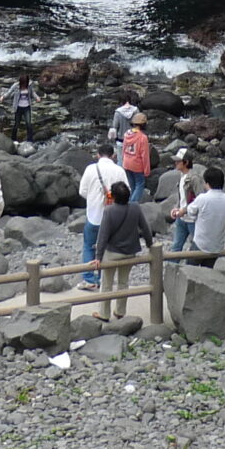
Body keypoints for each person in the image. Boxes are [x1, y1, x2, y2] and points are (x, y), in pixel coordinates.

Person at [93, 179, 152, 318]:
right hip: (130, 252)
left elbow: (103, 236)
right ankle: (120, 312)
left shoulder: (109, 211)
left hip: (112, 253)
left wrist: (98, 257)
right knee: (123, 282)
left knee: (106, 284)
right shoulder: (135, 207)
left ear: (112, 196)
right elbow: (145, 228)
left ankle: (104, 313)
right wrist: (150, 244)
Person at [77, 142, 128, 288]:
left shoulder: (90, 169)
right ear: (113, 156)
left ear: (98, 155)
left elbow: (82, 191)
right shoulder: (119, 171)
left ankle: (89, 279)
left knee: (89, 246)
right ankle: (106, 280)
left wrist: (93, 199)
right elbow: (127, 192)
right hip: (114, 219)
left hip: (94, 215)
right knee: (108, 248)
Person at [181, 166, 225, 268]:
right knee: (208, 272)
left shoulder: (203, 198)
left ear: (207, 183)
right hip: (217, 245)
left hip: (201, 244)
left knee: (190, 270)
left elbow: (191, 212)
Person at [167, 149, 203, 250]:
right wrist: (176, 208)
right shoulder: (181, 176)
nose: (176, 163)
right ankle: (172, 266)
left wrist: (184, 210)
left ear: (186, 162)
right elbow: (181, 197)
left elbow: (200, 200)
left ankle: (192, 265)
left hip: (192, 220)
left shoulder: (194, 178)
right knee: (176, 246)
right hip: (181, 218)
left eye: (178, 161)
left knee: (197, 246)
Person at [120, 114, 152, 203]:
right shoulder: (143, 137)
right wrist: (147, 171)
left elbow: (123, 149)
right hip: (137, 165)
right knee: (140, 185)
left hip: (126, 163)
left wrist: (123, 160)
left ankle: (129, 203)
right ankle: (132, 205)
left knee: (132, 186)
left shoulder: (126, 134)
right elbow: (145, 155)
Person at [0, 74, 38, 143]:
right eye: (23, 83)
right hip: (18, 107)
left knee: (29, 123)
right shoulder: (16, 86)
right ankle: (13, 139)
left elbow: (33, 93)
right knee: (16, 124)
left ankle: (30, 140)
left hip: (27, 107)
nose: (24, 85)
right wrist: (3, 97)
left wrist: (37, 98)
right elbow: (9, 92)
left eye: (25, 83)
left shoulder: (29, 86)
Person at [108, 90, 139, 160]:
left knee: (121, 160)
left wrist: (113, 139)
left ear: (121, 101)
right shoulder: (136, 110)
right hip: (133, 139)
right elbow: (139, 125)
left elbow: (114, 127)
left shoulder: (118, 112)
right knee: (132, 158)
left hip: (121, 140)